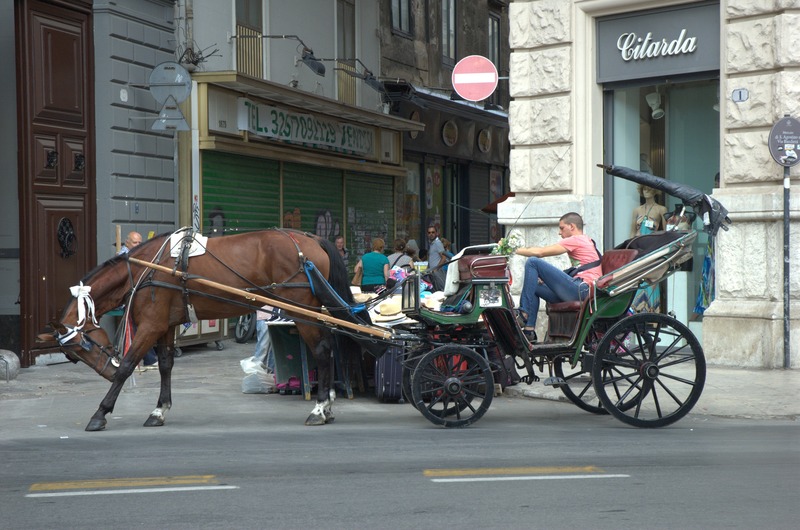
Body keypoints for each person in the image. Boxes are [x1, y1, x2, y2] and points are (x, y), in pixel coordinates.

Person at [515, 212, 602, 341]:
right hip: (580, 288)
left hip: (582, 289)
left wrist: (514, 250)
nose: (559, 233)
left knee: (533, 262)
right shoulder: (586, 240)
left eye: (562, 228)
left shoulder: (576, 239)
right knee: (535, 286)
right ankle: (529, 331)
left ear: (572, 226)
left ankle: (524, 314)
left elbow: (540, 252)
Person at [117, 230, 157, 368]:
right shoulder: (123, 257)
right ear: (127, 242)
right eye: (135, 242)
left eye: (140, 242)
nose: (138, 245)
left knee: (140, 327)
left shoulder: (139, 255)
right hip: (128, 299)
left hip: (139, 298)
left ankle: (145, 359)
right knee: (138, 328)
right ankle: (148, 359)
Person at [253, 305, 276, 373]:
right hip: (264, 316)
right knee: (262, 346)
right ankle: (256, 371)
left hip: (276, 316)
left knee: (274, 348)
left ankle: (271, 371)